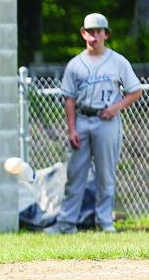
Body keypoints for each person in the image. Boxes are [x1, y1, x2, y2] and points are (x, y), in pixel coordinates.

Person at [45, 13, 142, 234]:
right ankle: (66, 223)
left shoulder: (117, 61)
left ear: (106, 34)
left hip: (107, 121)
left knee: (105, 174)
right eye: (90, 31)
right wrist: (71, 128)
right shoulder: (75, 64)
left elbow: (135, 91)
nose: (94, 35)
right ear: (83, 33)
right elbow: (69, 99)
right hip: (82, 120)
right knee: (74, 174)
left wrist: (116, 107)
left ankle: (105, 222)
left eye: (98, 31)